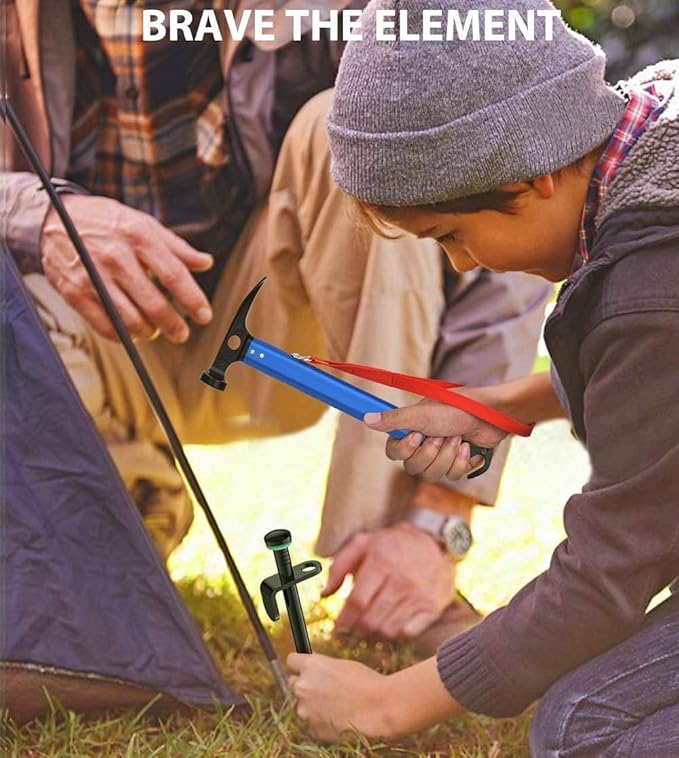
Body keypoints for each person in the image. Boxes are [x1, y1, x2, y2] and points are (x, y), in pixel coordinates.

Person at [2, 0, 549, 652]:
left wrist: (438, 521)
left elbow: (501, 245)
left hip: (270, 338)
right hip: (82, 336)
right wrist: (40, 214)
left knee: (353, 136)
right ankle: (129, 489)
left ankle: (387, 568)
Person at [286, 0, 679, 753]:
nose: (465, 265)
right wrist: (504, 404)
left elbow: (605, 578)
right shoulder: (650, 140)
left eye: (452, 236)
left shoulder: (654, 285)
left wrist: (385, 704)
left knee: (585, 730)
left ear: (532, 173)